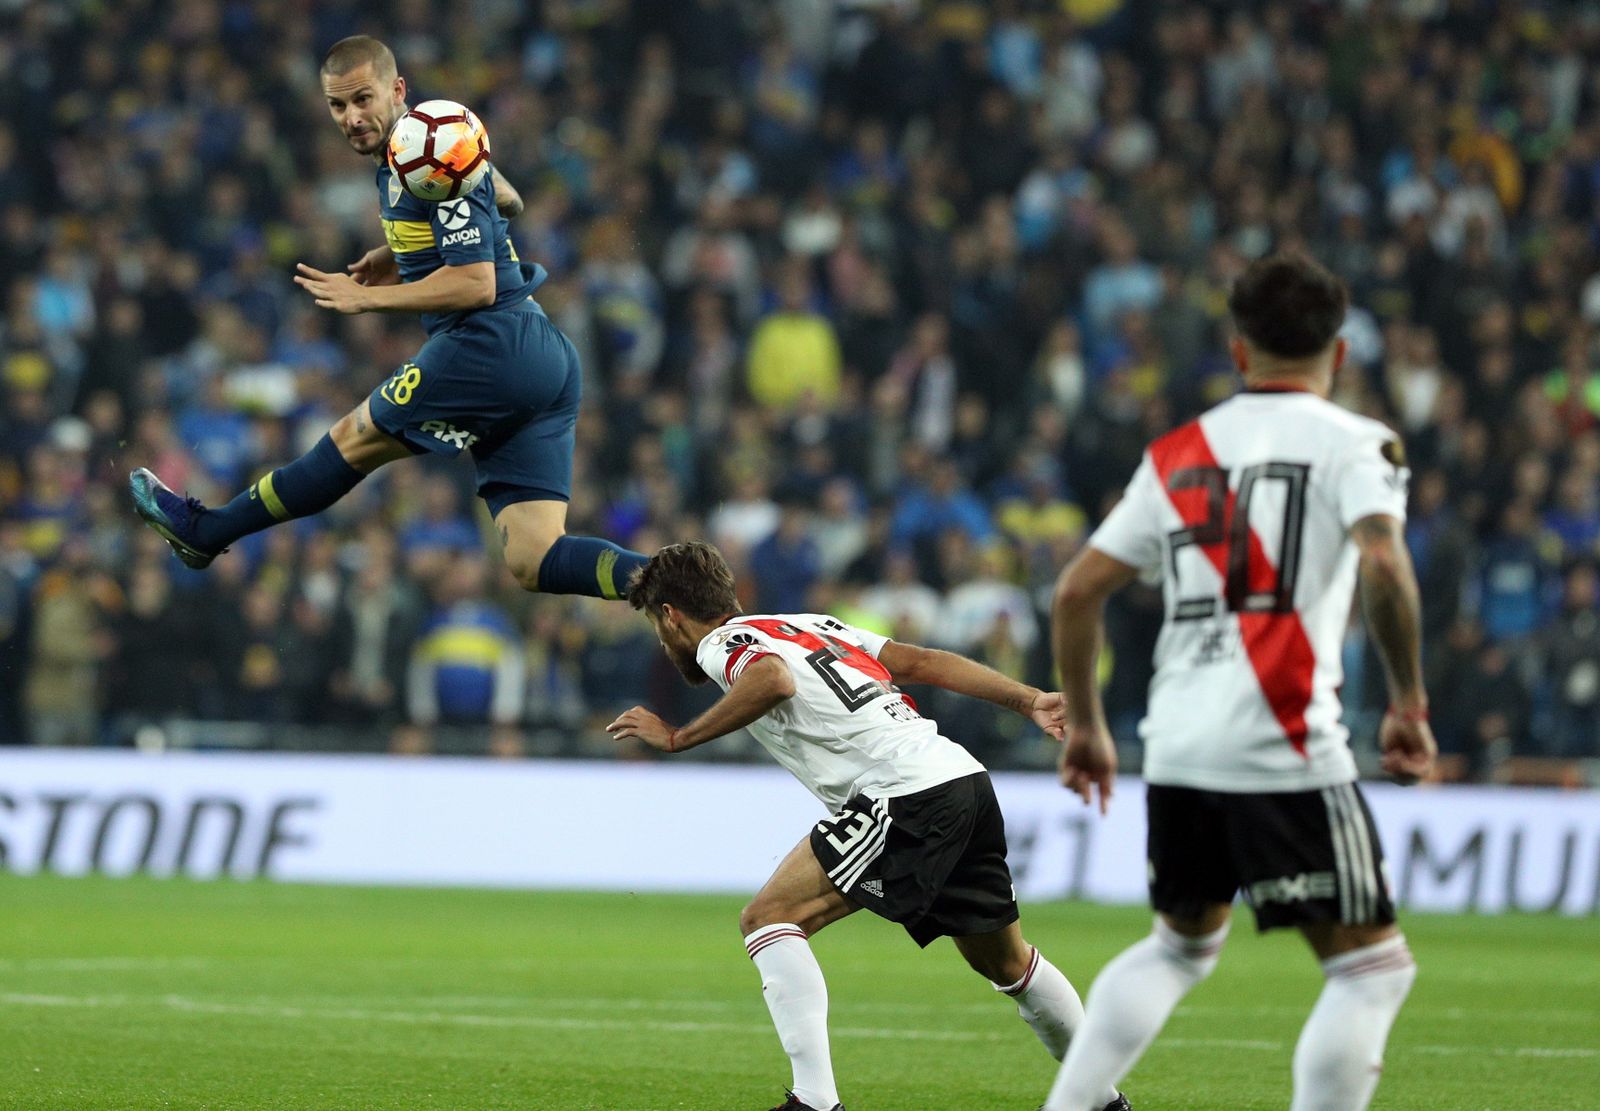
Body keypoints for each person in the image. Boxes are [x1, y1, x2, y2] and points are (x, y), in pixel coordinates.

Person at [1042, 252, 1436, 1111]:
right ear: (1338, 355)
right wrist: (1407, 700)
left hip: (1180, 741)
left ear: (1237, 349)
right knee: (1372, 968)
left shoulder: (1178, 453)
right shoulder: (1357, 444)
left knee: (1178, 947)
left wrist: (1088, 725)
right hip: (1284, 735)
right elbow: (1384, 561)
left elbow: (1075, 591)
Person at [606, 541, 1128, 1111]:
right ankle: (1102, 1100)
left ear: (671, 615)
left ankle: (815, 1102)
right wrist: (1026, 699)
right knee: (1006, 962)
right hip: (962, 779)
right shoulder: (810, 624)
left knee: (769, 919)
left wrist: (678, 738)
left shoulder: (719, 643)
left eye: (659, 626)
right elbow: (925, 663)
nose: (664, 640)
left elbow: (772, 680)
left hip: (904, 791)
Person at [129, 35, 648, 602]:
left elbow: (477, 283)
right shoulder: (414, 154)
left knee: (354, 439)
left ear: (397, 89)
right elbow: (509, 201)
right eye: (337, 106)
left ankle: (207, 532)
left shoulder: (430, 148)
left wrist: (364, 299)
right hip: (541, 354)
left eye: (363, 99)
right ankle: (678, 589)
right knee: (535, 556)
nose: (352, 118)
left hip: (490, 341)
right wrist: (401, 252)